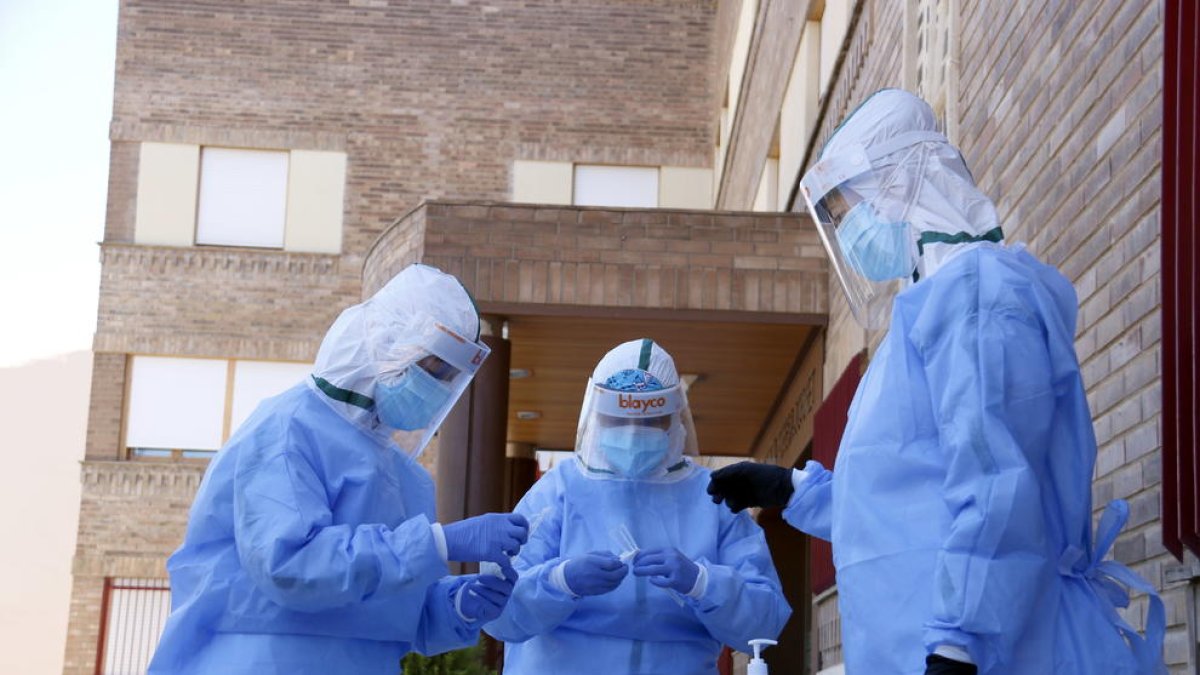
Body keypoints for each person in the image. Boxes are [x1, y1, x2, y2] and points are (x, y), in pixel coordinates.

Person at [707, 89, 1166, 675]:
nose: (852, 234)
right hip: (924, 645)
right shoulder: (933, 305)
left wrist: (958, 647)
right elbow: (904, 498)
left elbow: (997, 485)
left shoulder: (976, 298)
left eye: (852, 211)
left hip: (986, 652)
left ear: (900, 183)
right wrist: (792, 490)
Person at [149, 263, 529, 674]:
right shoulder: (286, 428)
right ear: (386, 343)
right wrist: (438, 544)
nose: (436, 387)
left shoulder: (405, 475)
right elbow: (291, 566)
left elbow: (386, 608)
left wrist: (455, 606)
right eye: (432, 369)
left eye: (448, 377)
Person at [484, 338, 791, 674]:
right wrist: (560, 582)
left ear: (674, 419)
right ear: (597, 416)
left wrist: (703, 583)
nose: (632, 435)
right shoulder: (558, 492)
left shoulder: (714, 497)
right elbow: (497, 613)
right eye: (618, 419)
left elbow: (764, 626)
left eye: (650, 421)